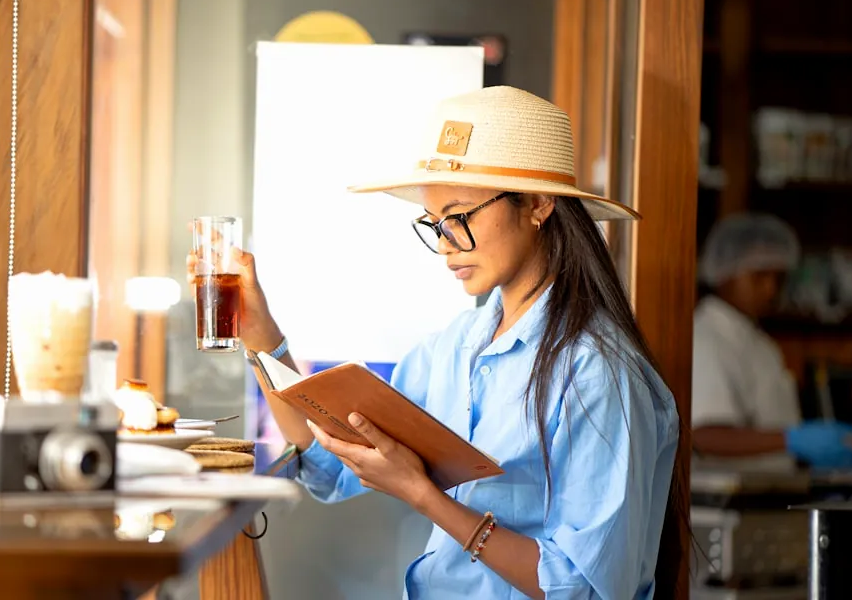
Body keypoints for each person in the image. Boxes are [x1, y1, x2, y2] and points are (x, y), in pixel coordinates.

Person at [189, 86, 680, 599]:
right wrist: (258, 333)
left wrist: (422, 494)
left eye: (460, 217)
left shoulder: (599, 372)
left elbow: (585, 588)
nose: (445, 243)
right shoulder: (457, 347)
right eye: (434, 222)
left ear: (537, 204)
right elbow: (329, 463)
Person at [692, 213, 852, 470]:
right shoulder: (706, 337)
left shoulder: (759, 342)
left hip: (767, 496)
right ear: (723, 272)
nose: (771, 289)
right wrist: (793, 439)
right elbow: (702, 436)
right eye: (759, 276)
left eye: (778, 278)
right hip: (725, 505)